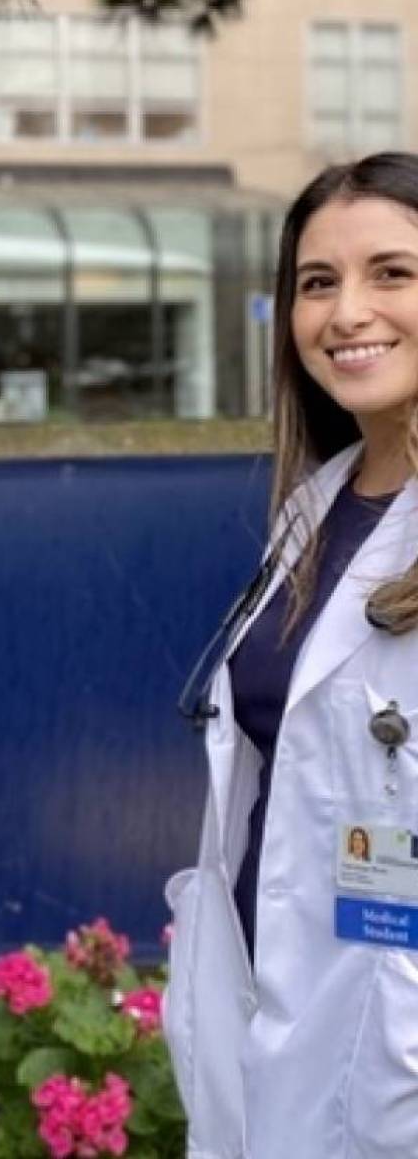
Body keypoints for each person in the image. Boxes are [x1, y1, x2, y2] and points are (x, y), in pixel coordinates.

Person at [165, 152, 418, 1159]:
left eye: (392, 273)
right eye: (318, 283)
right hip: (277, 1024)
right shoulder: (315, 512)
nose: (347, 312)